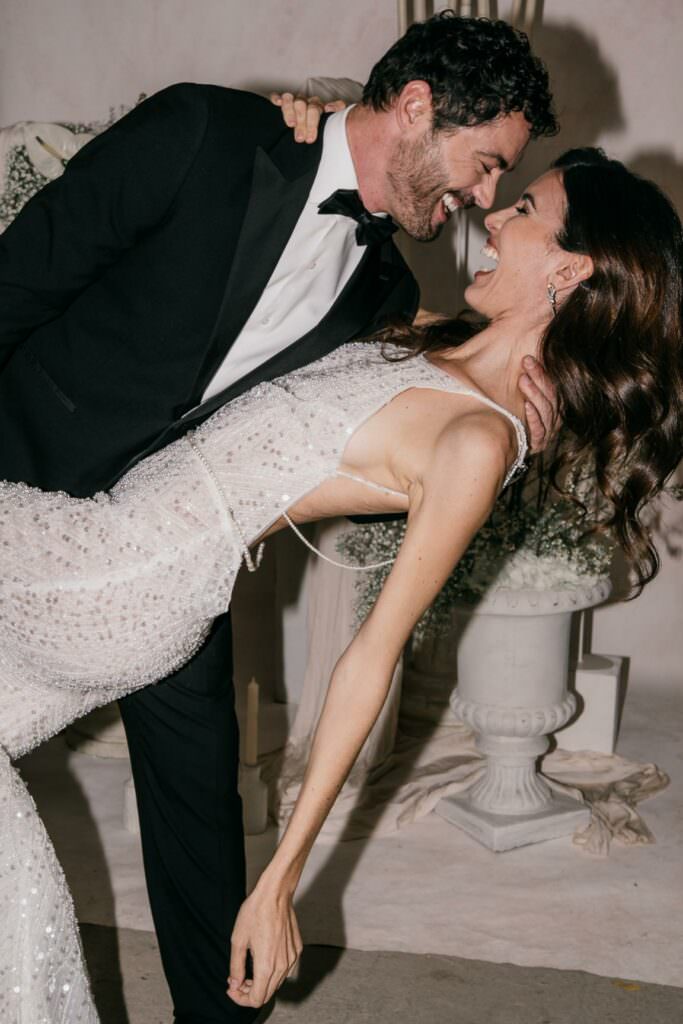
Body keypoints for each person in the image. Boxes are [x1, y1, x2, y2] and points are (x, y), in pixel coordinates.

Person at [2, 147, 682, 1023]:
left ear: (569, 267)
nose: (493, 219)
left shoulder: (478, 440)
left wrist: (282, 878)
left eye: (524, 212)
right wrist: (304, 120)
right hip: (116, 556)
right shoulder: (442, 343)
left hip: (114, 576)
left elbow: (372, 657)